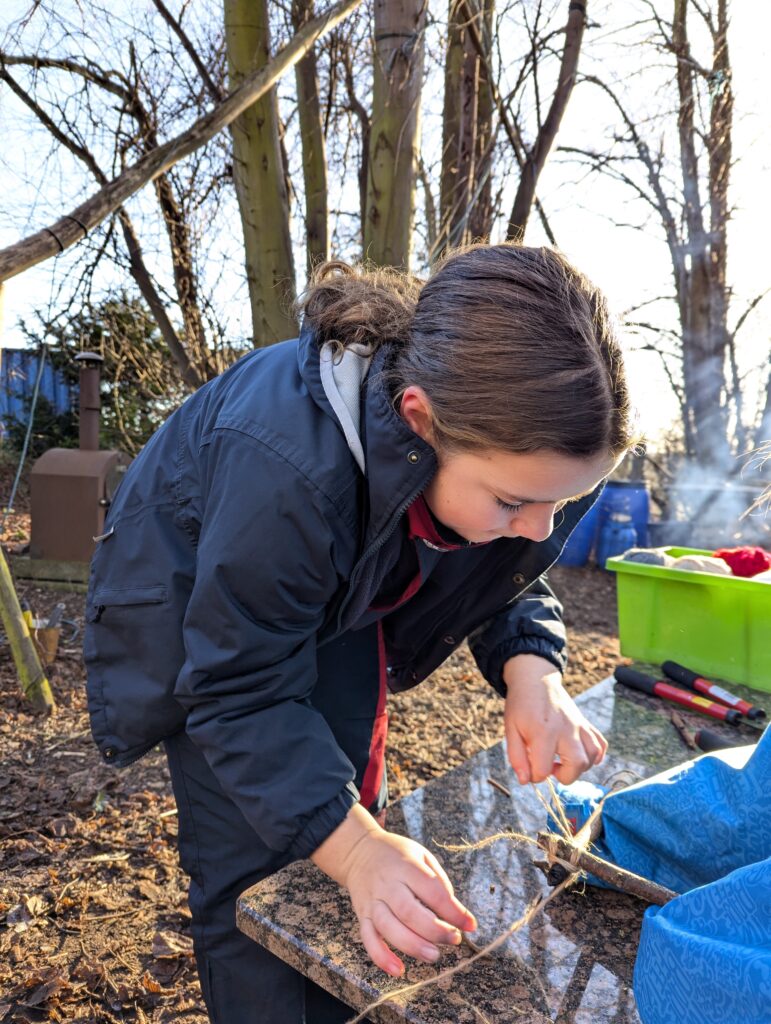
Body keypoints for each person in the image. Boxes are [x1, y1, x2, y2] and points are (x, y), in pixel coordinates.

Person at [84, 243, 640, 1024]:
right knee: (259, 855)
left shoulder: (480, 457)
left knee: (336, 807)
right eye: (516, 502)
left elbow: (507, 565)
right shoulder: (285, 468)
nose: (536, 530)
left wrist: (531, 667)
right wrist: (353, 850)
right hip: (204, 624)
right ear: (419, 419)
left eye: (562, 503)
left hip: (331, 596)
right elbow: (237, 687)